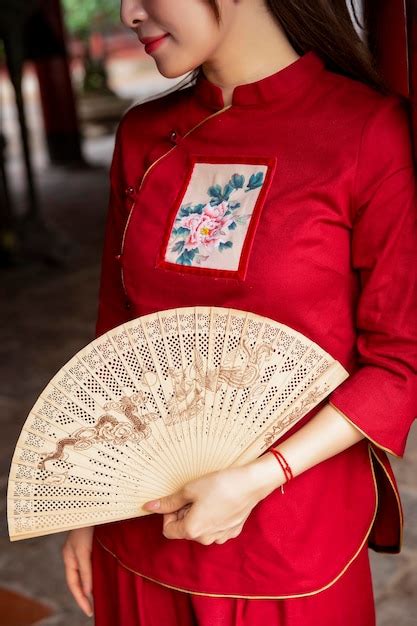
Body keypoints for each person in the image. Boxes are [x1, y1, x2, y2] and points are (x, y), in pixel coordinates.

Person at [61, 1, 417, 624]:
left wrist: (255, 479)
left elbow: (400, 363)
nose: (128, 11)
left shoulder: (367, 130)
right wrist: (87, 505)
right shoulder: (143, 135)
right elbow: (115, 339)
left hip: (290, 537)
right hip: (138, 523)